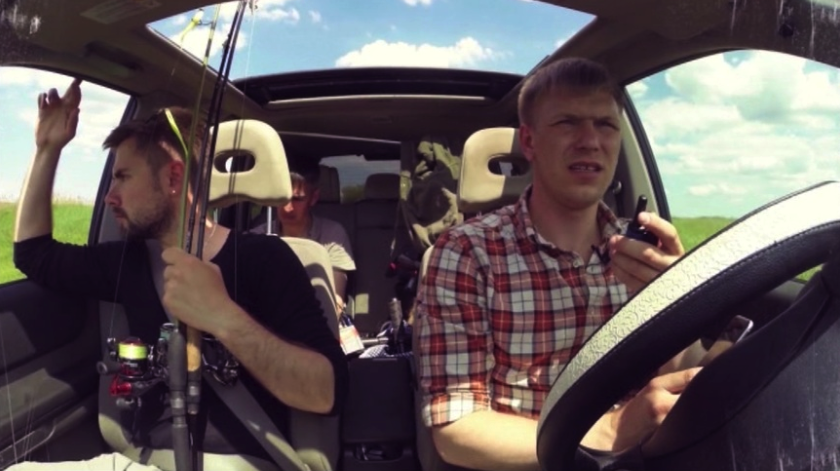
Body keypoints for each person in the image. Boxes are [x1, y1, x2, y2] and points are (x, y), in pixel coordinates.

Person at [11, 79, 348, 470]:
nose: (109, 196)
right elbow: (34, 255)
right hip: (142, 460)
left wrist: (223, 317)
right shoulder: (127, 261)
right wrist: (47, 148)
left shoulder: (267, 258)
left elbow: (327, 392)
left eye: (123, 177)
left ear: (173, 178)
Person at [414, 57, 702, 471]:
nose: (590, 140)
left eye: (605, 125)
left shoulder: (645, 249)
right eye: (568, 122)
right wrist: (610, 432)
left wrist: (677, 302)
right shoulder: (468, 253)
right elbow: (457, 431)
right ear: (529, 142)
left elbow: (679, 373)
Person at [250, 168, 356, 317]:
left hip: (317, 322)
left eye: (297, 199)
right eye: (282, 198)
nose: (288, 208)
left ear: (314, 198)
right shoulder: (257, 237)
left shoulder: (332, 235)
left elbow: (335, 303)